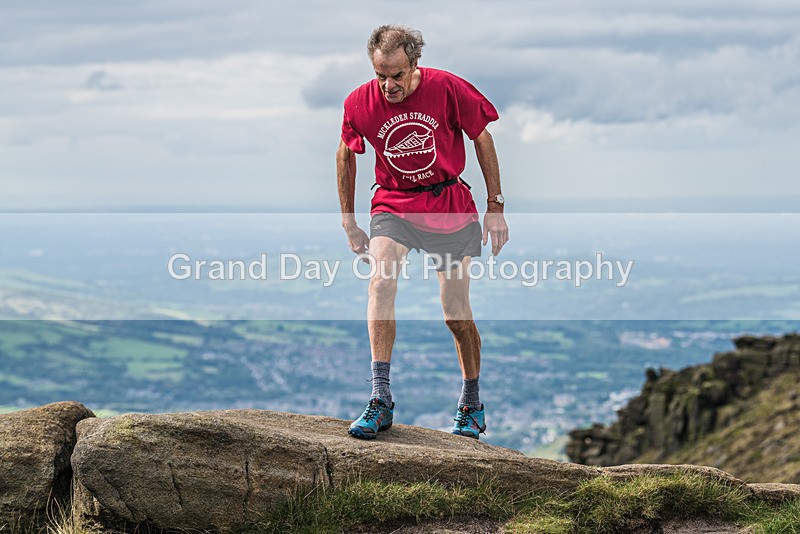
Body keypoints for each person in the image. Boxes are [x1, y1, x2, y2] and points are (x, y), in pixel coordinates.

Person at [336, 24, 508, 440]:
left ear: (415, 64)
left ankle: (471, 404)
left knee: (455, 314)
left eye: (397, 75)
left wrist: (494, 207)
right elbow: (346, 152)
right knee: (380, 280)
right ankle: (380, 399)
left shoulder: (447, 88)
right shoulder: (359, 102)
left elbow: (482, 138)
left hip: (448, 204)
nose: (388, 85)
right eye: (381, 75)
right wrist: (348, 219)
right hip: (394, 202)